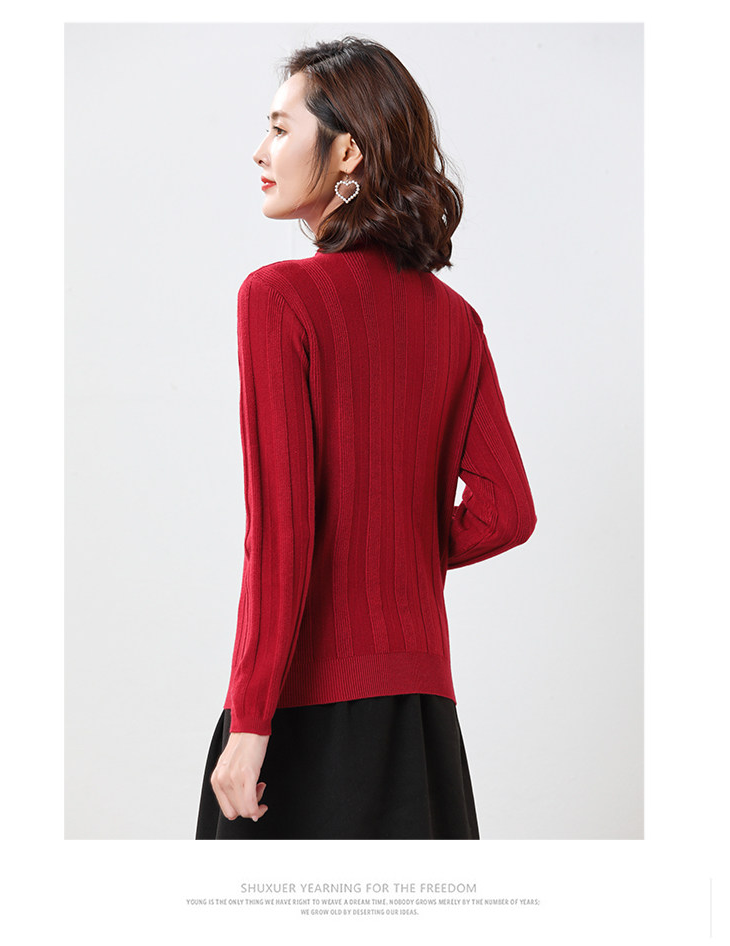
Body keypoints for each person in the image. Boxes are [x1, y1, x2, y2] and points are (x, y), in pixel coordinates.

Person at [195, 36, 537, 840]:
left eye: (280, 127)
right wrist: (392, 545)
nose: (260, 151)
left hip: (303, 711)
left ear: (346, 150)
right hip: (421, 719)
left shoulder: (278, 299)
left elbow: (282, 536)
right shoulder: (457, 323)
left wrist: (250, 722)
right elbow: (507, 512)